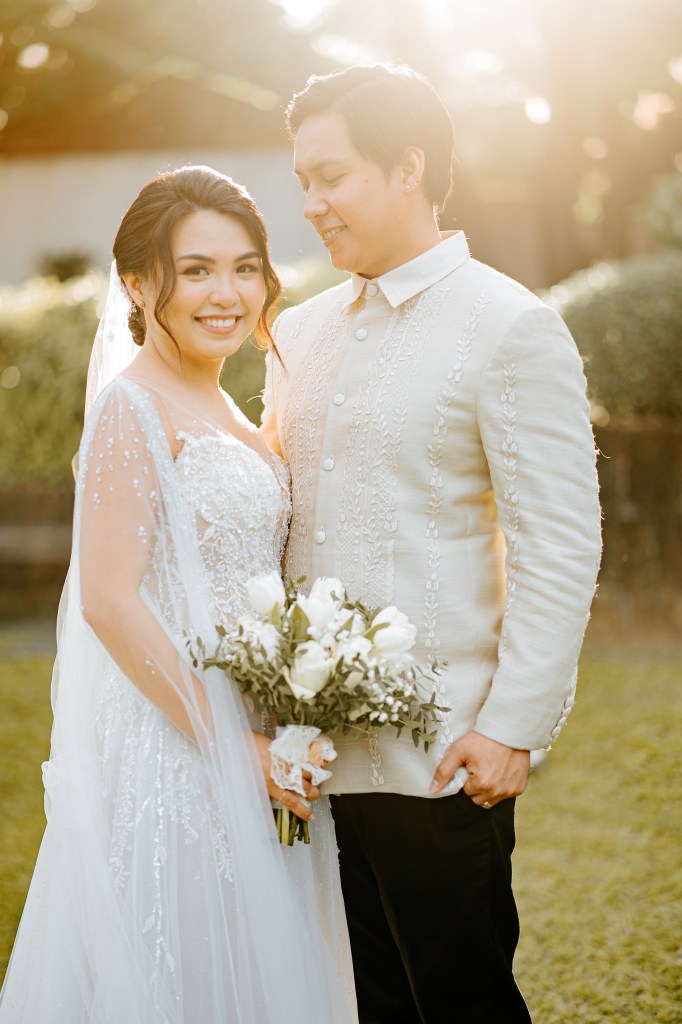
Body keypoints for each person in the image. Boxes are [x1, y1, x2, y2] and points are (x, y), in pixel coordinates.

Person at [261, 64, 602, 1022]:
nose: (312, 203)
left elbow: (558, 541)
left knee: (461, 1004)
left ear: (409, 167)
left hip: (443, 758)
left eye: (332, 176)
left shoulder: (511, 326)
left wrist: (512, 726)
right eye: (303, 181)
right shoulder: (298, 332)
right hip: (311, 762)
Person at [0, 166, 357, 1024]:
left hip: (257, 731)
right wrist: (233, 747)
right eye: (195, 270)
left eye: (245, 267)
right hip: (178, 746)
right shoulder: (131, 408)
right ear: (136, 282)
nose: (226, 293)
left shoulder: (227, 406)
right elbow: (108, 600)